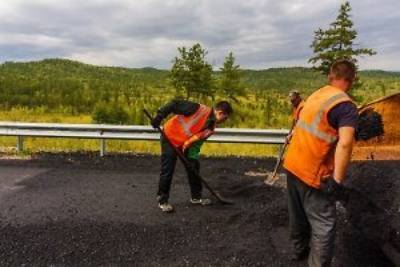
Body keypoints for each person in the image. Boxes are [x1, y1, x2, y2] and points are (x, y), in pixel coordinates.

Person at [283, 59, 358, 266]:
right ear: (351, 80)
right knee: (324, 224)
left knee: (297, 214)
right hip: (313, 174)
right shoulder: (345, 106)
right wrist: (337, 182)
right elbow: (345, 144)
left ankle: (298, 251)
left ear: (330, 77)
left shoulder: (317, 95)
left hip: (292, 165)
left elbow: (304, 122)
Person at [151, 100, 233, 212]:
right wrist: (159, 116)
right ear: (220, 112)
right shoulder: (197, 109)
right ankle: (163, 201)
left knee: (193, 168)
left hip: (184, 144)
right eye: (225, 118)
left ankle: (196, 197)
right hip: (169, 136)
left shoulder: (210, 127)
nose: (224, 121)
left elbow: (195, 144)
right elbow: (174, 104)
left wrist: (192, 159)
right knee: (168, 169)